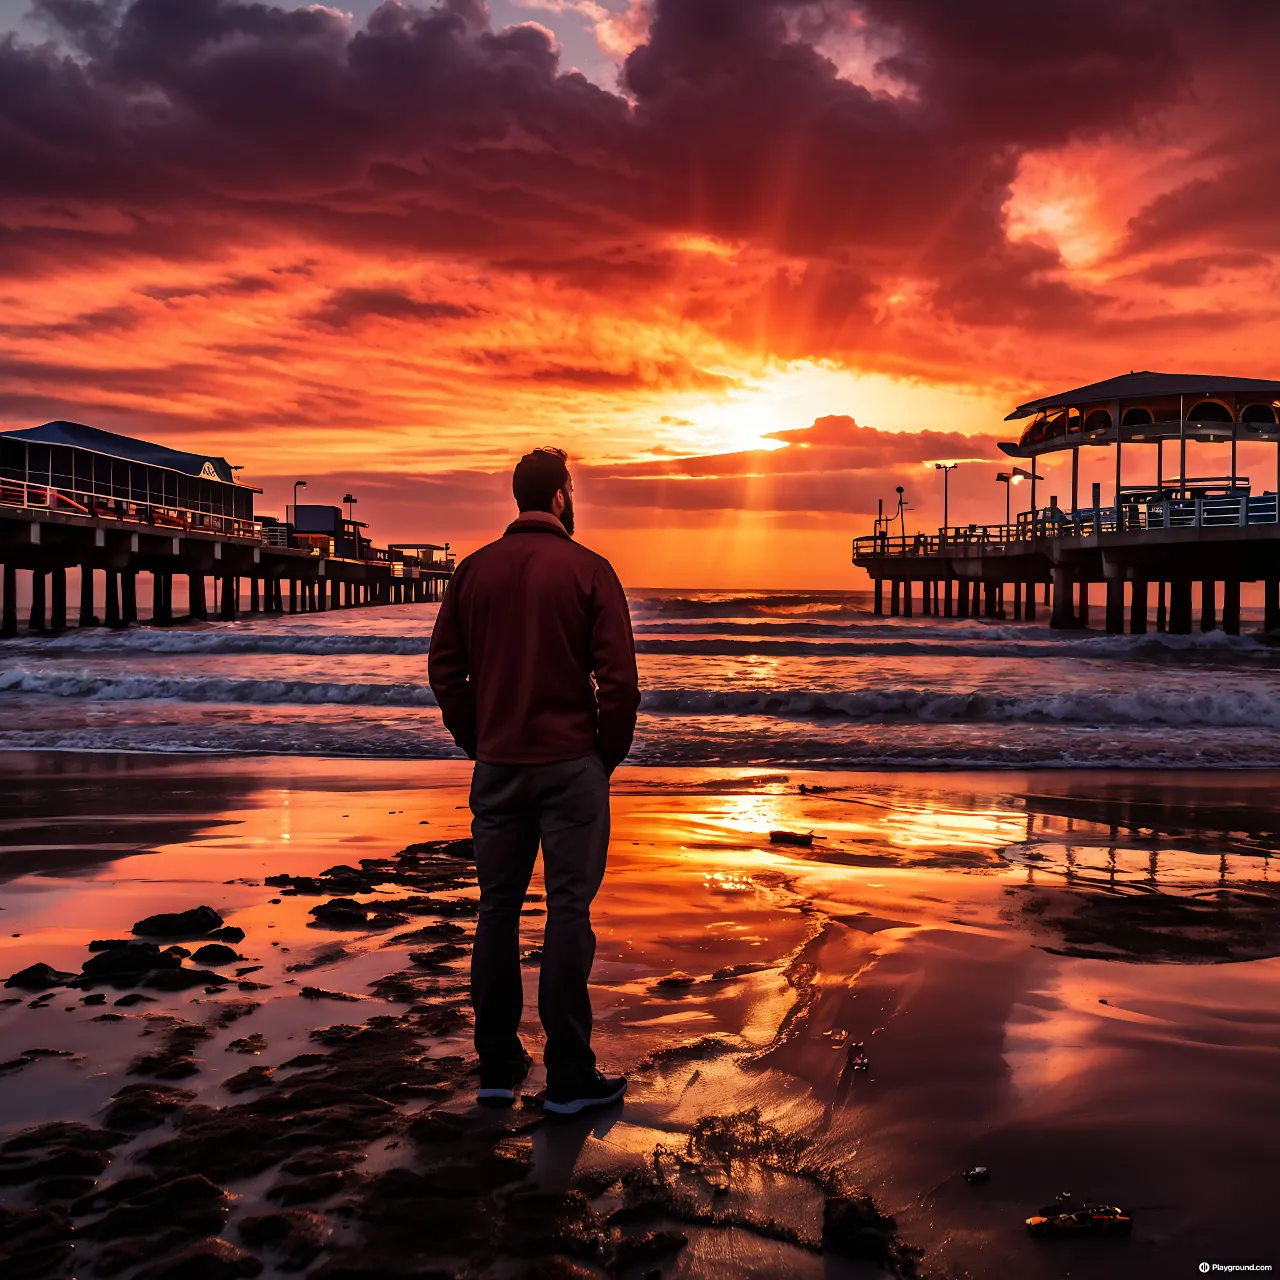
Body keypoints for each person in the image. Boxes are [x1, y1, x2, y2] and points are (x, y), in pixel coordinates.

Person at [428, 447, 640, 1116]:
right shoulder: (589, 570)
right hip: (570, 764)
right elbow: (621, 684)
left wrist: (479, 739)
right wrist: (601, 755)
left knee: (496, 909)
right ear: (558, 498)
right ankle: (569, 1077)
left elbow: (444, 670)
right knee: (567, 912)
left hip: (500, 766)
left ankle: (496, 1067)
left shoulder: (472, 572)